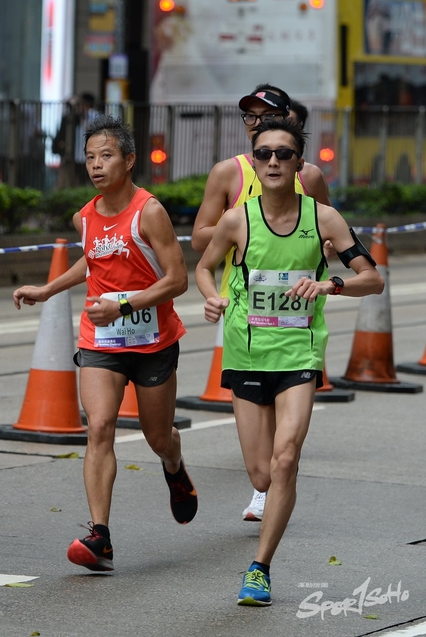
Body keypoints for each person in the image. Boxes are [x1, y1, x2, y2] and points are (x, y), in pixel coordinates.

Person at [195, 117, 384, 606]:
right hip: (246, 352)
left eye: (284, 153)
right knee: (261, 474)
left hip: (300, 352)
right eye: (264, 154)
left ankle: (259, 569)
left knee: (285, 460)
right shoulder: (237, 220)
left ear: (300, 163)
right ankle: (264, 515)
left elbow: (373, 278)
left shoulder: (325, 219)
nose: (274, 161)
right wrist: (212, 297)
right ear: (255, 162)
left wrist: (329, 284)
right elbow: (203, 266)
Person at [13, 115, 198, 572]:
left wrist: (125, 306)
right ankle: (101, 537)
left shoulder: (148, 211)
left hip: (153, 340)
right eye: (90, 157)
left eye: (107, 155)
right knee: (98, 427)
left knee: (158, 436)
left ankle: (174, 465)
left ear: (129, 160)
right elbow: (93, 261)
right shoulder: (85, 216)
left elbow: (178, 279)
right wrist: (48, 289)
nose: (96, 165)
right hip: (102, 338)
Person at [191, 83, 332, 523]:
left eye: (265, 115)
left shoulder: (308, 176)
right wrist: (245, 223)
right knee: (259, 421)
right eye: (249, 116)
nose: (255, 122)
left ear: (289, 121)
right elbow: (199, 239)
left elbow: (329, 232)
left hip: (295, 315)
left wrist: (319, 260)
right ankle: (265, 482)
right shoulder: (227, 173)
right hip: (241, 308)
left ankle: (271, 486)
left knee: (283, 430)